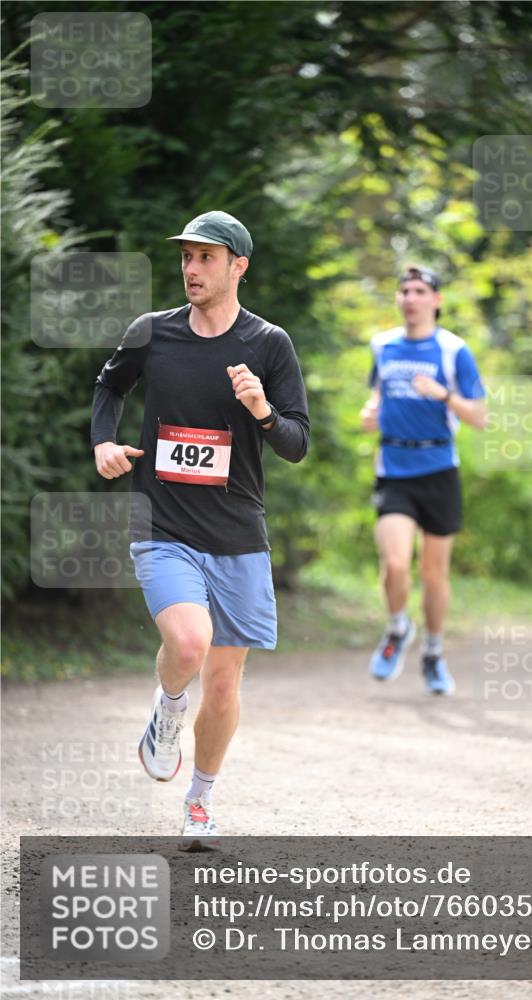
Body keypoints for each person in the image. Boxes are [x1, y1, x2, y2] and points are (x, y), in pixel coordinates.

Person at [91, 211, 309, 847]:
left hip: (238, 532)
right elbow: (109, 388)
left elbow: (296, 443)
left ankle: (200, 797)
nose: (191, 268)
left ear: (238, 266)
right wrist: (104, 442)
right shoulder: (151, 334)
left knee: (223, 681)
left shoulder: (269, 345)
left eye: (206, 258)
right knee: (188, 646)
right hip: (163, 524)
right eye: (187, 257)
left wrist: (262, 410)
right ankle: (166, 708)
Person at [360, 265, 486, 695]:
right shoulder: (383, 346)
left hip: (438, 470)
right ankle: (398, 627)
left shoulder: (453, 351)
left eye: (420, 291)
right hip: (393, 467)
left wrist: (444, 395)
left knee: (434, 575)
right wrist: (369, 411)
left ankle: (433, 651)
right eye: (404, 291)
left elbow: (479, 416)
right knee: (395, 562)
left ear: (436, 301)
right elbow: (377, 393)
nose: (411, 298)